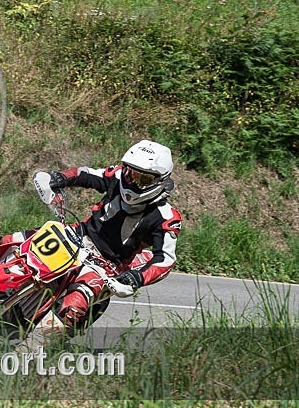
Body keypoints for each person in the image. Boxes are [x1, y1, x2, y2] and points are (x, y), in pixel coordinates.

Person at [9, 140, 182, 334]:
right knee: (13, 242)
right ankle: (3, 294)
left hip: (107, 265)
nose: (131, 182)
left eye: (142, 179)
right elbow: (86, 174)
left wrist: (136, 278)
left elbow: (165, 259)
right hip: (76, 235)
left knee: (73, 306)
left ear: (160, 180)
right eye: (130, 173)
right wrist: (59, 178)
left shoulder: (167, 217)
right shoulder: (117, 176)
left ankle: (32, 353)